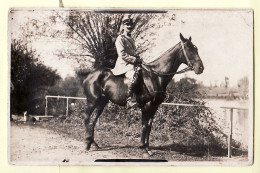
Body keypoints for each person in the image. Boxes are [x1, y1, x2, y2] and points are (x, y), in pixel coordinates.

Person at [111, 15, 142, 109]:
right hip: (123, 65)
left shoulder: (131, 39)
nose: (129, 27)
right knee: (133, 75)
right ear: (123, 26)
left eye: (131, 25)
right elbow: (122, 54)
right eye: (127, 24)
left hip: (132, 64)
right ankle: (129, 99)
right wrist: (134, 60)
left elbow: (133, 53)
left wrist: (138, 58)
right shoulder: (120, 39)